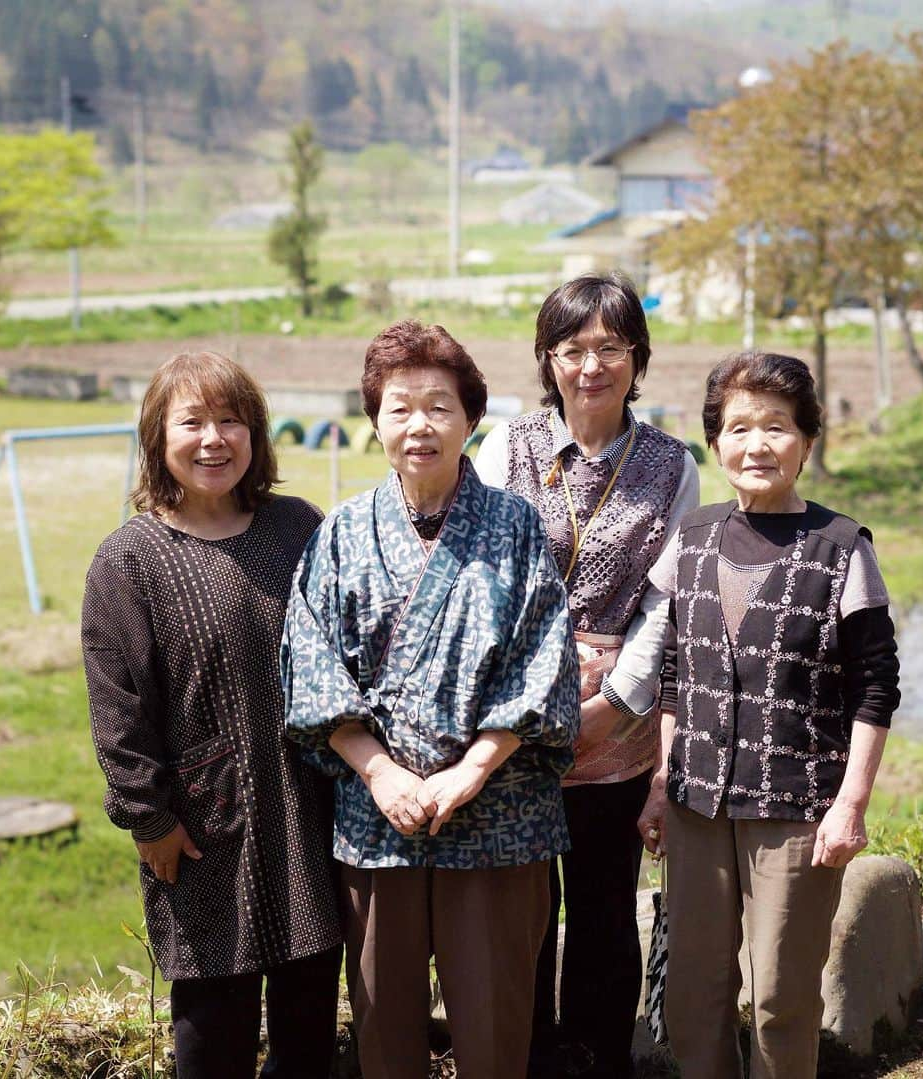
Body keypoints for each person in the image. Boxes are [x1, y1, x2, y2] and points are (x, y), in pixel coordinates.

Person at [281, 319, 580, 1079]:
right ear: (374, 420)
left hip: (498, 814)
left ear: (471, 420)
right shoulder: (344, 531)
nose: (420, 425)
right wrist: (381, 771)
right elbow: (310, 663)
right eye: (400, 407)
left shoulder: (514, 527)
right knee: (384, 1030)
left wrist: (469, 770)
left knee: (495, 1028)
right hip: (379, 819)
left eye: (440, 407)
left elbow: (543, 661)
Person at [639, 350, 901, 1078]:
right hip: (694, 805)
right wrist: (661, 782)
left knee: (783, 996)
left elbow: (876, 686)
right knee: (694, 989)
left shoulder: (842, 548)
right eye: (738, 426)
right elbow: (673, 671)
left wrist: (850, 804)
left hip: (795, 810)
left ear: (807, 441)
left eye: (778, 427)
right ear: (716, 440)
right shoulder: (689, 539)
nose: (757, 444)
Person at [81, 351, 342, 1079]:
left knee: (308, 1031)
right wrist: (149, 819)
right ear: (157, 437)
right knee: (212, 1040)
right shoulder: (129, 560)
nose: (214, 439)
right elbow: (116, 710)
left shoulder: (296, 529)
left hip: (306, 818)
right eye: (191, 421)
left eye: (232, 420)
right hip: (202, 836)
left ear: (255, 435)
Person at [475, 272, 700, 1078]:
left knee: (606, 905)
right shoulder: (506, 446)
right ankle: (528, 1053)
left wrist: (616, 701)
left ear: (637, 358)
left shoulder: (674, 466)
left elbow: (667, 601)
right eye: (573, 349)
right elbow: (483, 572)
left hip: (618, 725)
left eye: (611, 347)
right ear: (547, 358)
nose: (592, 365)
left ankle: (601, 1054)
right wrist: (536, 681)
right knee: (523, 905)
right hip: (517, 718)